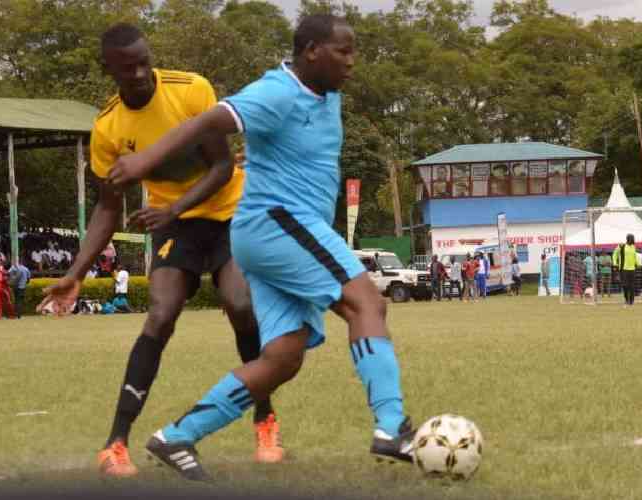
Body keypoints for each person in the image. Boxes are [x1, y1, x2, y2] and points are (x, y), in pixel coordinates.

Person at [106, 15, 415, 480]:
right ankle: (393, 426)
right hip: (279, 222)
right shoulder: (277, 92)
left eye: (354, 51)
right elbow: (208, 121)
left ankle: (177, 436)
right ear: (311, 51)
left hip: (264, 234)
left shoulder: (325, 91)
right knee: (366, 302)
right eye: (343, 51)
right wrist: (146, 159)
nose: (352, 62)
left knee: (283, 357)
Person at [37, 23, 283, 477]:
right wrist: (76, 272)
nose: (140, 73)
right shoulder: (108, 128)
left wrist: (173, 210)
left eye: (144, 60)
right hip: (178, 225)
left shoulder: (191, 90)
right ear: (109, 68)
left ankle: (265, 418)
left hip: (231, 215)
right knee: (161, 313)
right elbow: (107, 209)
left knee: (239, 302)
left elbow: (224, 167)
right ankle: (115, 444)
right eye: (128, 67)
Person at [613, 234, 638, 307]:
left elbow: (635, 256)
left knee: (632, 286)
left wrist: (638, 263)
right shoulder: (621, 246)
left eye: (633, 239)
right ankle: (626, 299)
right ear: (627, 239)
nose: (632, 240)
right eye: (631, 239)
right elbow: (615, 254)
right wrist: (615, 264)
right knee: (625, 286)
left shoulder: (633, 247)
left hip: (632, 269)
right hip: (624, 269)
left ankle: (631, 301)